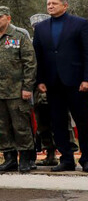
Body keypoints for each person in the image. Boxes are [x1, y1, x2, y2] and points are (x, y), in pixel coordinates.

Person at [31, 0, 88, 172]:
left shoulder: (80, 24)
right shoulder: (41, 28)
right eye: (48, 3)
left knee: (83, 122)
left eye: (54, 3)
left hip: (76, 82)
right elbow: (37, 56)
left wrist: (86, 78)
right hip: (53, 83)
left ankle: (86, 159)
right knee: (58, 122)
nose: (50, 6)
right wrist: (40, 79)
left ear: (65, 5)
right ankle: (66, 160)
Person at [0, 6, 37, 173]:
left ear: (8, 18)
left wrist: (27, 87)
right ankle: (9, 158)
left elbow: (30, 63)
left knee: (21, 126)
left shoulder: (19, 37)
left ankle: (26, 158)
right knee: (1, 126)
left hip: (17, 91)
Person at [29, 13, 59, 167]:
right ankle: (50, 153)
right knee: (42, 122)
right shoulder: (30, 44)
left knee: (59, 121)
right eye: (35, 27)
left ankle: (65, 152)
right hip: (36, 89)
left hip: (54, 86)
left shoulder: (55, 42)